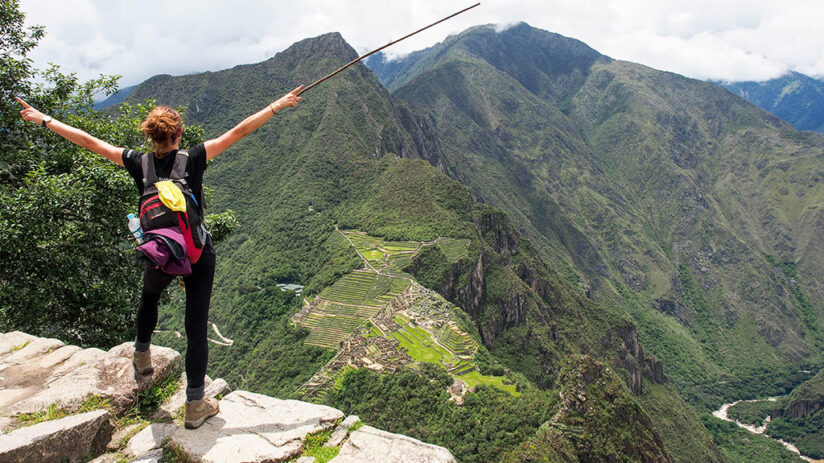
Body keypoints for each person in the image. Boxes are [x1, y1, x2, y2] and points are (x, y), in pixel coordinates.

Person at [16, 86, 301, 429]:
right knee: (196, 326)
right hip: (195, 251)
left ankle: (141, 353)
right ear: (179, 133)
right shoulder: (193, 158)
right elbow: (238, 131)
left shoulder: (139, 163)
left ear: (150, 137)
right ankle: (195, 404)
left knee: (149, 296)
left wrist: (44, 118)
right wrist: (278, 104)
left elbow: (90, 142)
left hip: (159, 250)